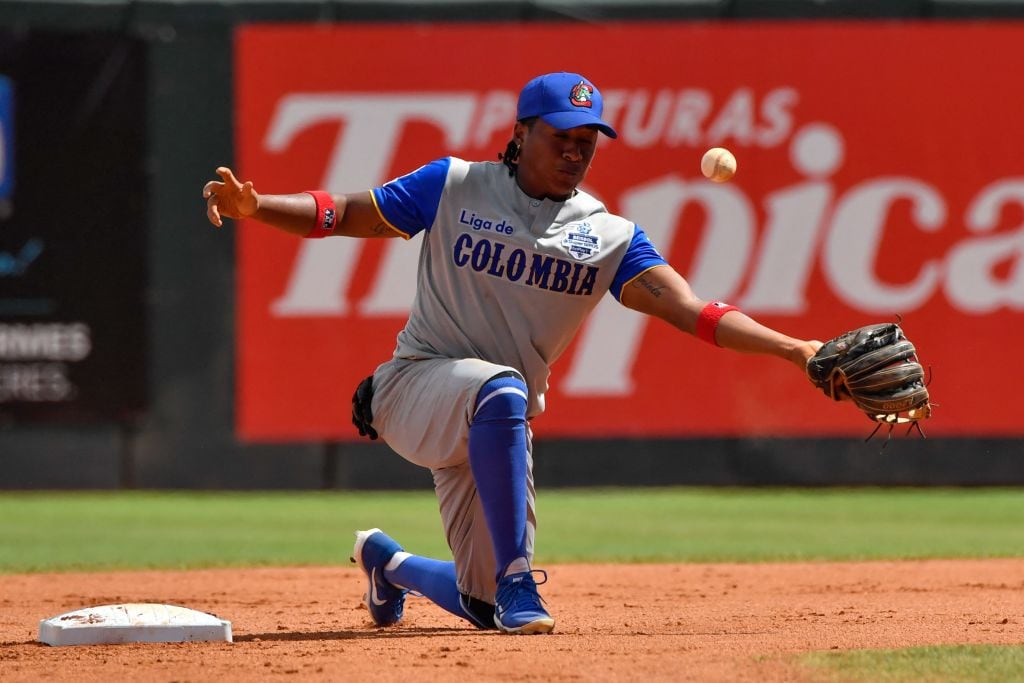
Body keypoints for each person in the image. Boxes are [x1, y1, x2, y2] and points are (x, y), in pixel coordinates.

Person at [204, 72, 823, 635]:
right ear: (521, 134)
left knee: (482, 603)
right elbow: (345, 214)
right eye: (560, 136)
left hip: (495, 428)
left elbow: (693, 311)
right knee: (501, 394)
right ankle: (521, 579)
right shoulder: (456, 185)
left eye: (588, 139)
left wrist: (797, 350)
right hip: (417, 386)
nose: (575, 151)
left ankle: (386, 562)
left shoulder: (609, 236)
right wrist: (258, 207)